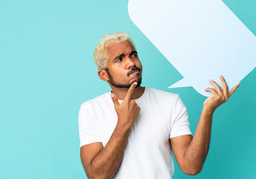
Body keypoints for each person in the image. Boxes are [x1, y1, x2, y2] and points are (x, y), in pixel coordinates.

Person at [78, 32, 241, 179]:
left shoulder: (170, 102)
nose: (131, 63)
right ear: (103, 74)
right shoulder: (91, 110)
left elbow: (191, 167)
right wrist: (123, 124)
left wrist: (208, 111)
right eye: (119, 59)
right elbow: (97, 176)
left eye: (133, 55)